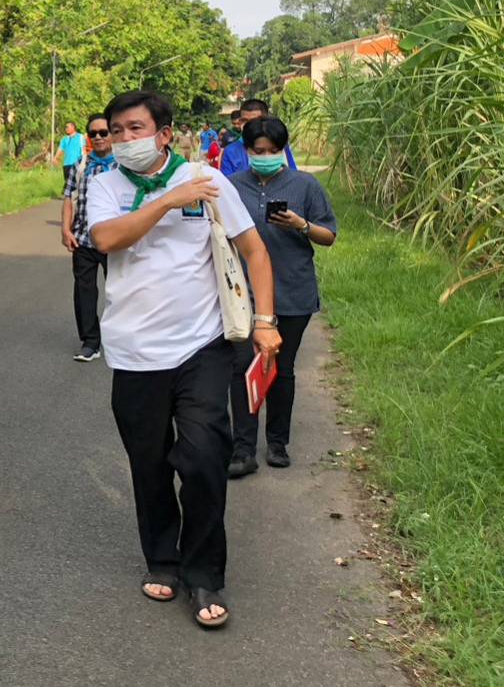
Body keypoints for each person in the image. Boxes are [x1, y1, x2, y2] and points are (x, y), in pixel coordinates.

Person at [86, 89, 280, 630]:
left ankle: (204, 574)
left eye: (136, 128)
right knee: (148, 465)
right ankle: (162, 560)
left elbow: (254, 250)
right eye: (117, 130)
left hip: (202, 345)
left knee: (201, 459)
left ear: (164, 133)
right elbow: (105, 239)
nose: (125, 139)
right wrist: (168, 201)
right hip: (132, 350)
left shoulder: (208, 181)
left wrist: (265, 322)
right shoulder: (104, 184)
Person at [227, 117, 336, 477]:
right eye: (259, 151)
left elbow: (329, 235)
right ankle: (243, 448)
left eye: (274, 151)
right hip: (243, 295)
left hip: (292, 291)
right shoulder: (231, 186)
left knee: (280, 368)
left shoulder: (305, 185)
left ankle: (277, 442)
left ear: (283, 150)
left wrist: (301, 225)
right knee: (244, 369)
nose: (266, 156)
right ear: (247, 152)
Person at [60, 112, 116, 363]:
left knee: (120, 291)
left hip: (115, 240)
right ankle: (90, 342)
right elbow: (68, 199)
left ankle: (119, 338)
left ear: (113, 134)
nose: (98, 137)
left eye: (103, 132)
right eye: (93, 133)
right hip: (83, 238)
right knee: (84, 292)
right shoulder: (80, 165)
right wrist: (65, 229)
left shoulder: (124, 166)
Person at [219, 99, 297, 177]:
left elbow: (293, 176)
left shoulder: (279, 145)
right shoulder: (230, 151)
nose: (248, 125)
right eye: (244, 120)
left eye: (254, 121)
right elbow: (227, 184)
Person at [58, 121, 85, 189]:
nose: (66, 129)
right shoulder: (64, 139)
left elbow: (83, 149)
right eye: (65, 127)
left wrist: (83, 162)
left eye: (67, 127)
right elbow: (60, 148)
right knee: (68, 181)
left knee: (74, 182)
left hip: (77, 163)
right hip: (66, 164)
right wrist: (56, 157)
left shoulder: (80, 137)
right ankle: (69, 195)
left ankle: (69, 195)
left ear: (73, 127)